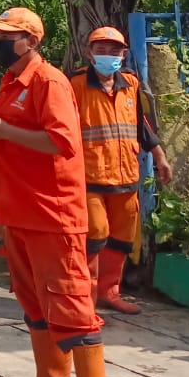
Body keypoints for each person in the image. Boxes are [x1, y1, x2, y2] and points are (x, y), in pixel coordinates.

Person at [0, 7, 107, 377]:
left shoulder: (49, 82)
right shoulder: (12, 81)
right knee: (34, 304)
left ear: (31, 40)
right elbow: (13, 135)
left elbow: (60, 142)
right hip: (20, 213)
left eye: (7, 35)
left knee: (72, 309)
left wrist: (1, 129)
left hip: (52, 215)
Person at [69, 27, 172, 315]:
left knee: (122, 238)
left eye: (115, 51)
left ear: (124, 54)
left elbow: (144, 126)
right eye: (101, 50)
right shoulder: (74, 85)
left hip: (126, 178)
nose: (108, 55)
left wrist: (160, 158)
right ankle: (85, 302)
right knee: (93, 237)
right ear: (89, 53)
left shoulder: (131, 84)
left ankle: (109, 293)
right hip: (89, 178)